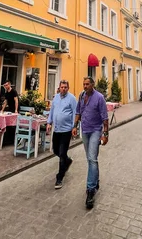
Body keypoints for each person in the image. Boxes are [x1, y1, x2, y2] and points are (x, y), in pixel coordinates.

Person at [72, 77, 109, 209]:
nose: (85, 86)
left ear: (93, 85)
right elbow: (78, 112)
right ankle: (96, 180)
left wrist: (105, 135)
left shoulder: (99, 98)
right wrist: (75, 126)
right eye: (84, 84)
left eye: (87, 84)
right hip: (85, 130)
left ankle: (90, 189)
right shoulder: (82, 96)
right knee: (90, 159)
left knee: (92, 158)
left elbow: (105, 118)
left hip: (95, 131)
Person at [46, 80, 77, 189]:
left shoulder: (72, 98)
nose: (63, 89)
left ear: (68, 88)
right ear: (59, 88)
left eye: (65, 87)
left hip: (66, 130)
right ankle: (68, 161)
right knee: (55, 150)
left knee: (62, 153)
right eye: (62, 87)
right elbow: (52, 110)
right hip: (57, 129)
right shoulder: (56, 98)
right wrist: (49, 122)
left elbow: (75, 113)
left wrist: (74, 126)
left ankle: (59, 178)